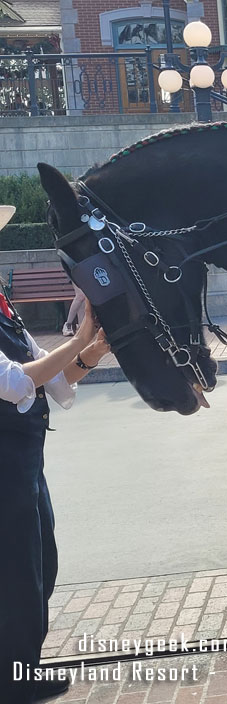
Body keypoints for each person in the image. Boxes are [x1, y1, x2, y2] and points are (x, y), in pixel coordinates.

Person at [0, 205, 110, 703]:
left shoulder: (1, 305)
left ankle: (22, 667)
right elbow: (14, 382)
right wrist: (82, 339)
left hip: (22, 456)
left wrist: (93, 351)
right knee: (18, 571)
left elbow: (53, 385)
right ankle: (13, 680)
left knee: (39, 564)